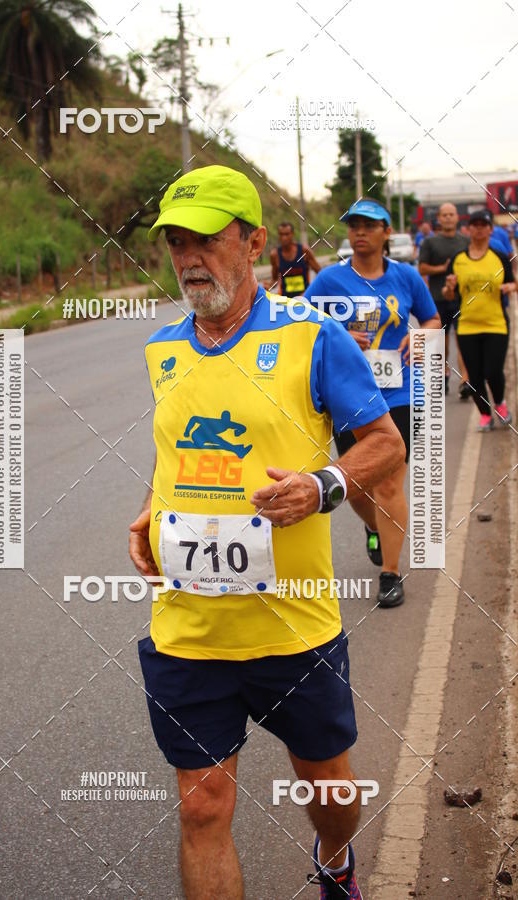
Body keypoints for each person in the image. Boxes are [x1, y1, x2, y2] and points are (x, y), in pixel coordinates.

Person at [129, 165, 405, 900]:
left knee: (333, 796)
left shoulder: (311, 336)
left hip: (294, 627)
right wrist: (151, 510)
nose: (190, 258)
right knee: (203, 805)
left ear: (252, 242)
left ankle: (336, 858)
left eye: (208, 241)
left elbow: (384, 443)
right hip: (190, 628)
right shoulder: (162, 350)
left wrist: (321, 486)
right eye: (177, 243)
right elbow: (178, 452)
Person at [305, 199, 440, 609]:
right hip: (350, 396)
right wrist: (340, 334)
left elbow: (432, 319)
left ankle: (391, 574)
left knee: (387, 483)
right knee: (356, 486)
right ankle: (377, 528)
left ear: (386, 232)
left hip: (399, 392)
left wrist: (420, 339)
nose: (359, 231)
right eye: (354, 225)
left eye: (369, 225)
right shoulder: (329, 280)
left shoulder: (406, 277)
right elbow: (300, 322)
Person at [442, 209, 516, 431]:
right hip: (467, 325)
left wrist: (510, 286)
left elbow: (514, 282)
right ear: (468, 229)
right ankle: (485, 415)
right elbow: (448, 294)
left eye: (483, 225)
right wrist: (449, 288)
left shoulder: (499, 257)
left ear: (490, 229)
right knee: (474, 376)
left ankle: (500, 404)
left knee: (493, 371)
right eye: (474, 224)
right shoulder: (458, 259)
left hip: (496, 323)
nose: (479, 228)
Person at [418, 202, 470, 397]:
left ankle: (466, 379)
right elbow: (422, 268)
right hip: (438, 297)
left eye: (451, 214)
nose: (448, 218)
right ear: (439, 219)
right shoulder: (430, 243)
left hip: (462, 298)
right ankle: (444, 372)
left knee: (463, 338)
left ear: (457, 217)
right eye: (444, 215)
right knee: (442, 340)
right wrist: (445, 268)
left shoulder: (465, 241)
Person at [270, 221, 321, 297]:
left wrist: (311, 290)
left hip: (305, 298)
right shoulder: (275, 255)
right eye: (281, 234)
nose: (284, 237)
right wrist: (267, 286)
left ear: (292, 234)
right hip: (286, 300)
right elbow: (274, 280)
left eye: (287, 234)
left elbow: (320, 273)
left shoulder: (304, 251)